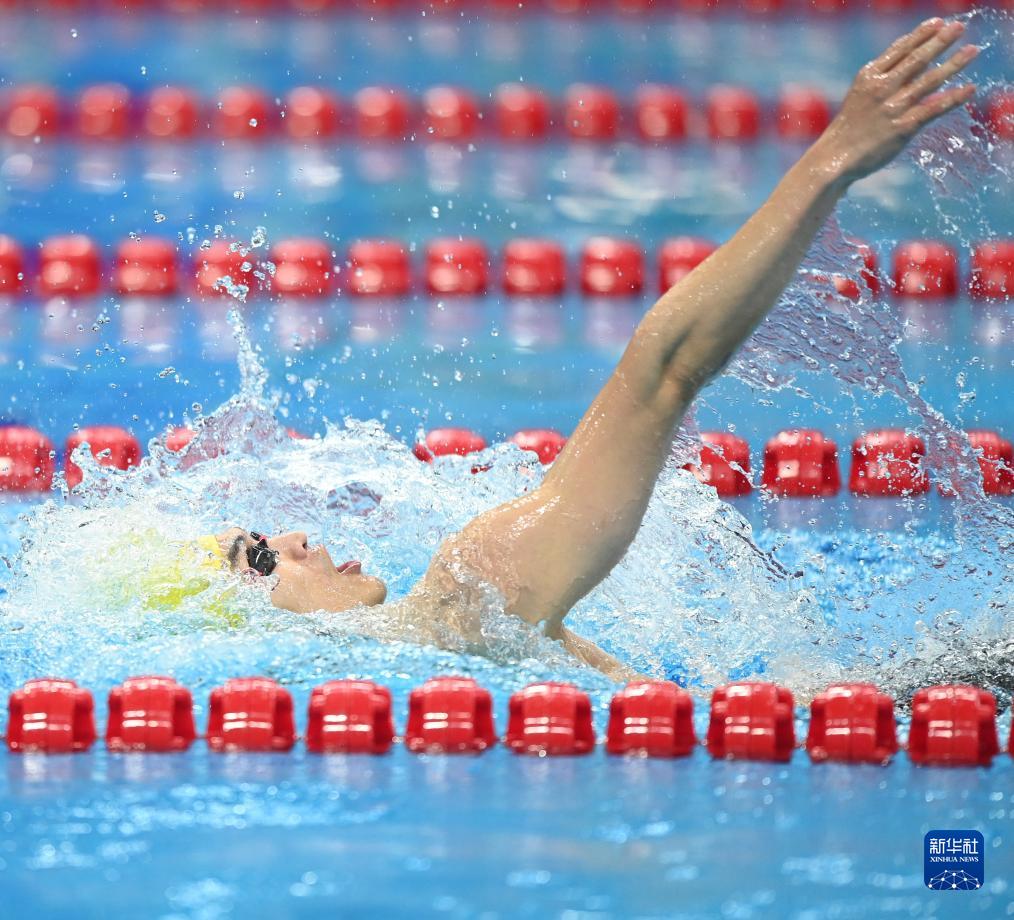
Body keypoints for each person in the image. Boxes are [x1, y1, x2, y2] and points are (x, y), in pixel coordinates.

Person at [207, 20, 978, 680]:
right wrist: (834, 157)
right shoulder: (471, 591)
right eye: (264, 560)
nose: (296, 537)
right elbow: (664, 371)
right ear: (247, 625)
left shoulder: (457, 643)